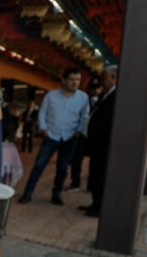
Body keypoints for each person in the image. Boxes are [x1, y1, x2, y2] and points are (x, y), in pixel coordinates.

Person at [18, 68, 89, 206]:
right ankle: (27, 194)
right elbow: (42, 112)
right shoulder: (51, 95)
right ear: (64, 80)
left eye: (78, 80)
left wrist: (79, 131)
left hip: (70, 137)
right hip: (51, 136)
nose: (75, 83)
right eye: (71, 79)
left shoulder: (83, 97)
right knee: (39, 166)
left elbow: (84, 116)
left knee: (62, 168)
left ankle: (56, 195)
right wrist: (44, 129)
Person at [79, 65, 118, 217]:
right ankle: (95, 203)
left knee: (100, 175)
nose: (102, 81)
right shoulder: (106, 94)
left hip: (103, 144)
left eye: (105, 78)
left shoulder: (117, 96)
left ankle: (99, 207)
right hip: (96, 143)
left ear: (113, 78)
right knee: (95, 174)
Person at [67, 76, 102, 192]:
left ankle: (92, 185)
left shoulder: (102, 100)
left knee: (95, 161)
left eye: (97, 88)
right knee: (76, 159)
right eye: (93, 88)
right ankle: (75, 182)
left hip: (94, 136)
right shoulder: (83, 99)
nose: (95, 91)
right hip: (81, 134)